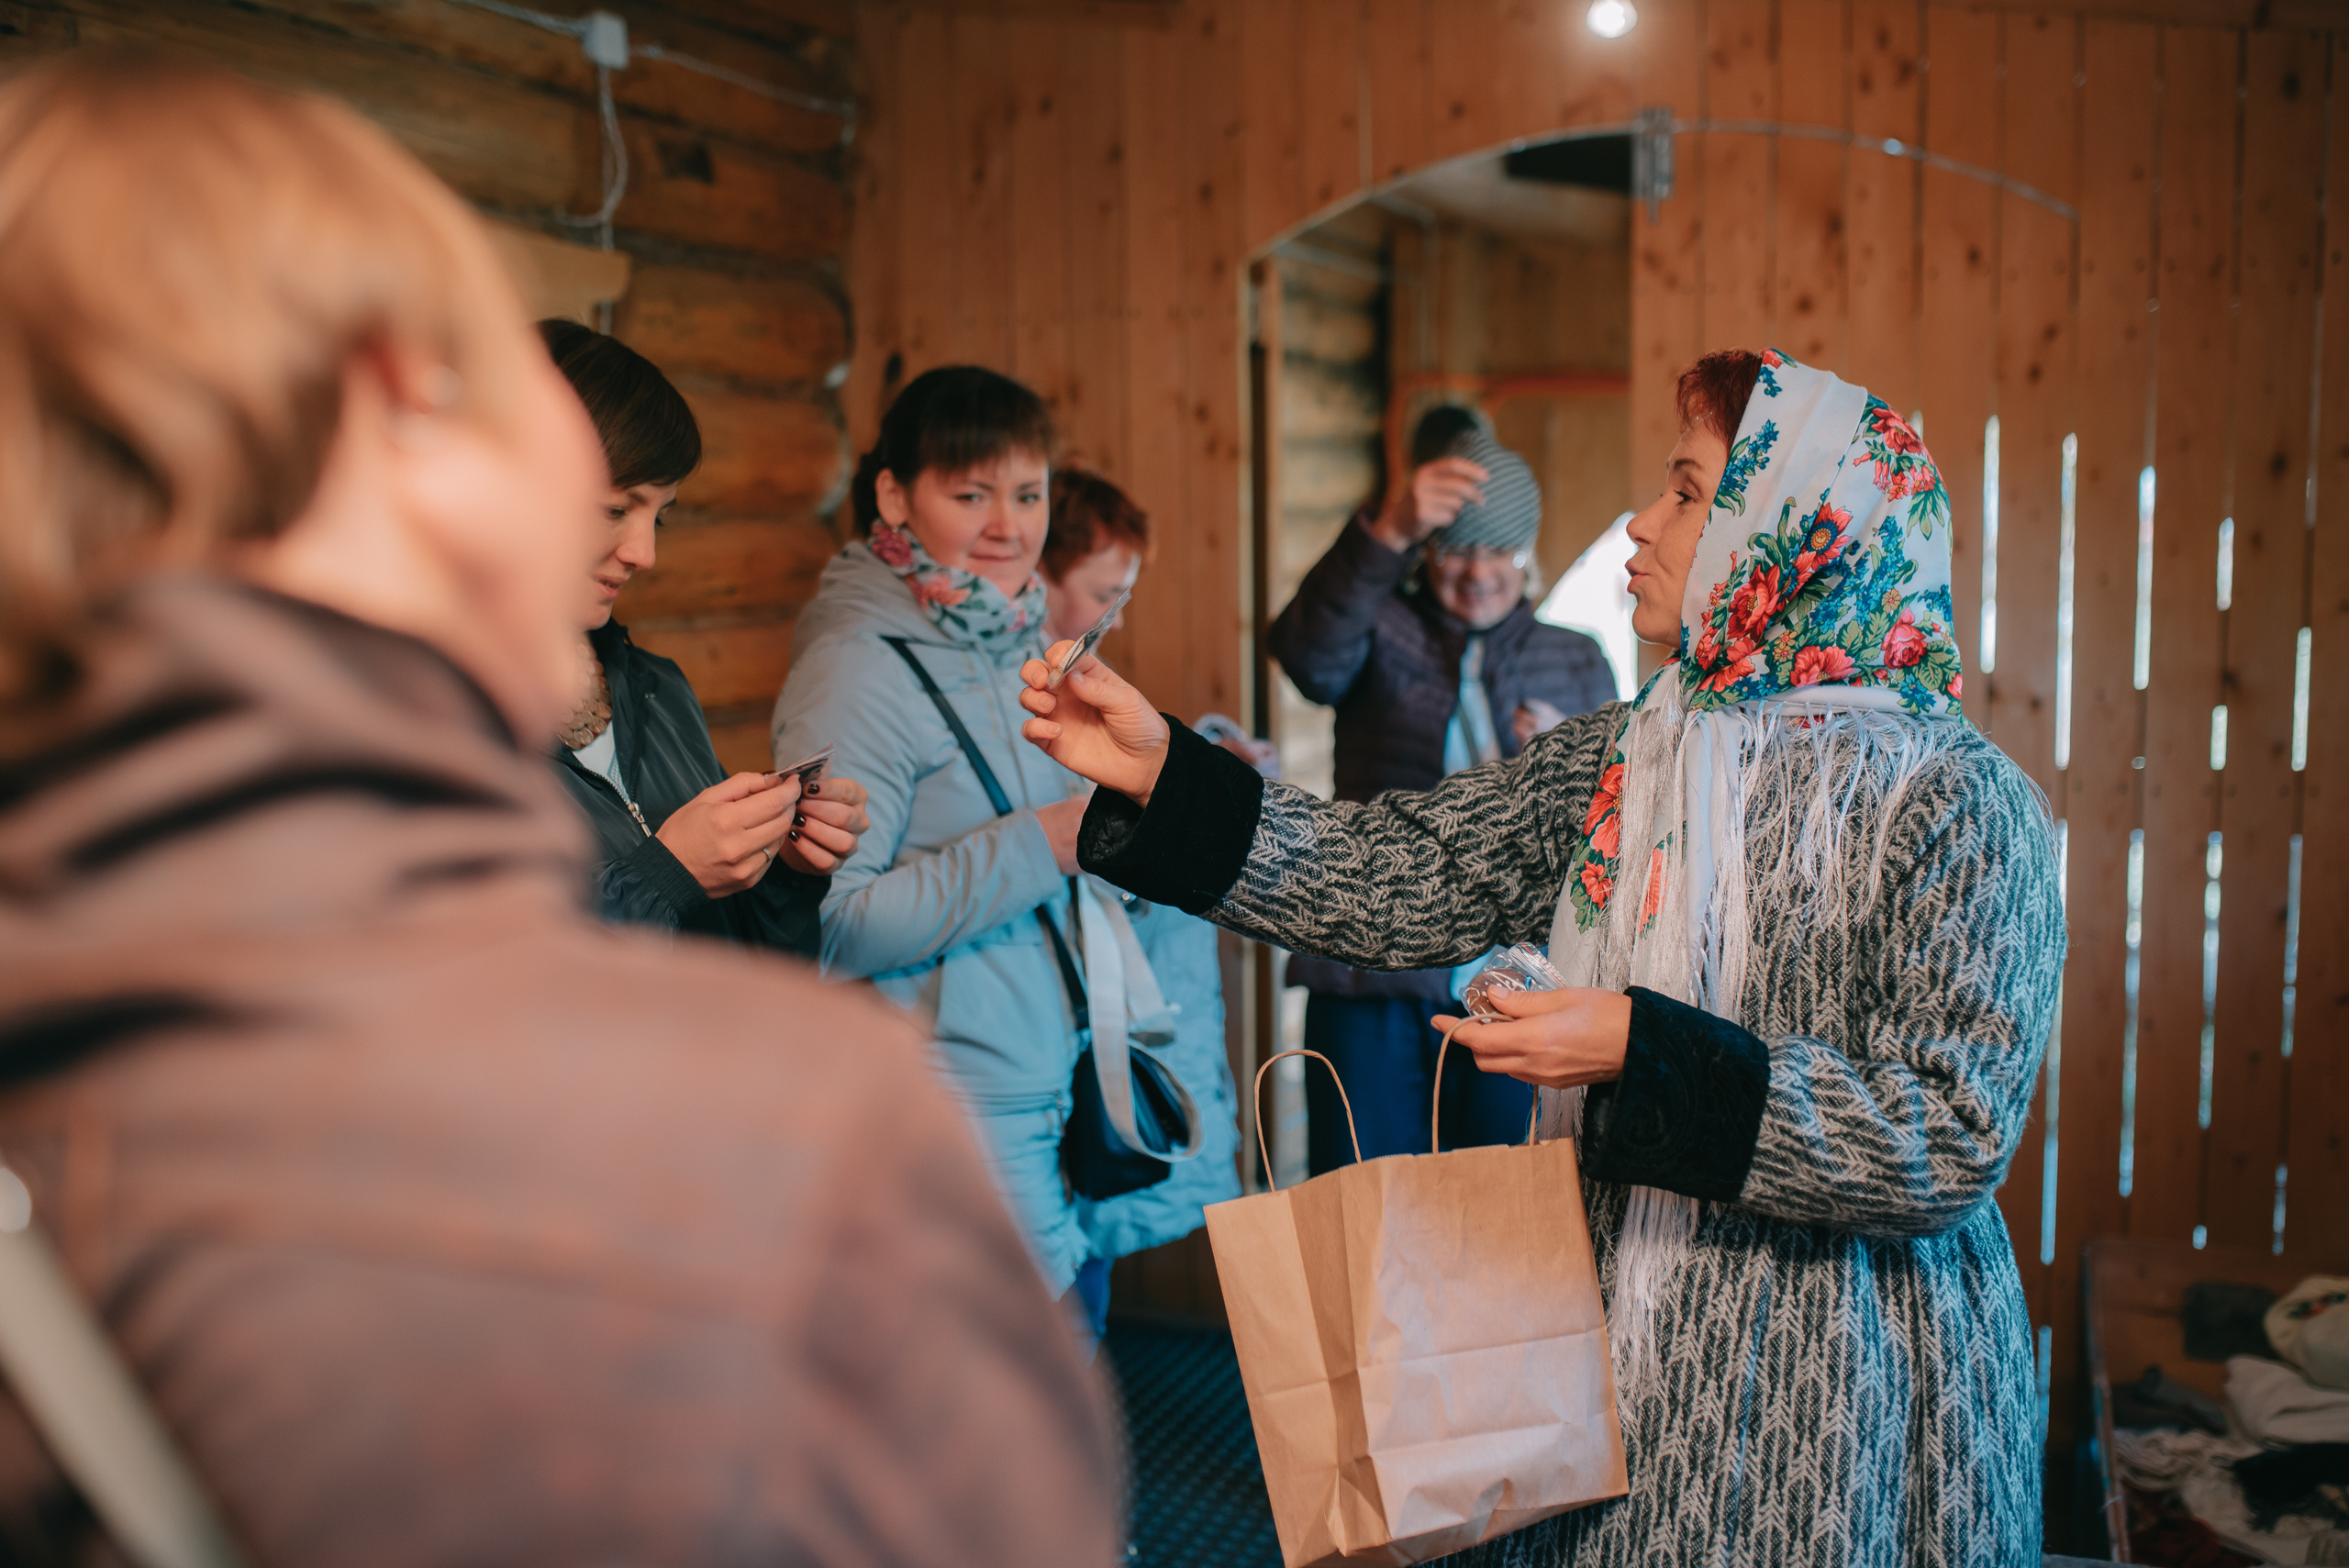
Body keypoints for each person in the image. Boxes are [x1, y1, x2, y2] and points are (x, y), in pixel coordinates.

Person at [0, 54, 1119, 1567]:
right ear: (410, 423)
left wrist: (781, 868)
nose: (639, 549)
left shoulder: (646, 696)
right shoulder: (805, 1137)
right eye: (602, 498)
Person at [1019, 348, 2064, 1565]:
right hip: (1605, 1343)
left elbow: (1947, 1135)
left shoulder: (1961, 802)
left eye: (1686, 490)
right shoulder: (1621, 758)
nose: (1640, 522)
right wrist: (1166, 777)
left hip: (1851, 1388)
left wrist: (1639, 1043)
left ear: (1796, 530)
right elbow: (1391, 876)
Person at [768, 366, 1106, 1318]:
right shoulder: (854, 666)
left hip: (1038, 1075)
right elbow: (830, 924)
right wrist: (1046, 842)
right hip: (947, 1100)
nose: (1010, 524)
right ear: (892, 494)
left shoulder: (1009, 636)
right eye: (970, 494)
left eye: (1029, 493)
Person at [1269, 408, 1616, 1173]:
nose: (1479, 569)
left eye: (1501, 547)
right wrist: (1385, 528)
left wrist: (1575, 756)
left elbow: (1617, 819)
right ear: (1428, 551)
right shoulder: (1379, 631)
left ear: (1526, 553)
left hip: (1521, 980)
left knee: (1505, 1212)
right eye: (1457, 548)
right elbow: (1305, 655)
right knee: (1362, 1203)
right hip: (1373, 969)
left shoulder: (1576, 657)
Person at [539, 320, 867, 952]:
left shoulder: (659, 690)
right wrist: (666, 875)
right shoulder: (427, 717)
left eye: (659, 516)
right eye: (615, 509)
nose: (645, 552)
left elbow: (752, 962)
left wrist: (788, 872)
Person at [1041, 468, 1242, 1314]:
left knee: (1084, 1251)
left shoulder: (1087, 680)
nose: (1113, 614)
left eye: (1126, 595)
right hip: (1053, 998)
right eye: (1101, 592)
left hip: (1104, 989)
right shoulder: (1021, 695)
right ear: (1039, 576)